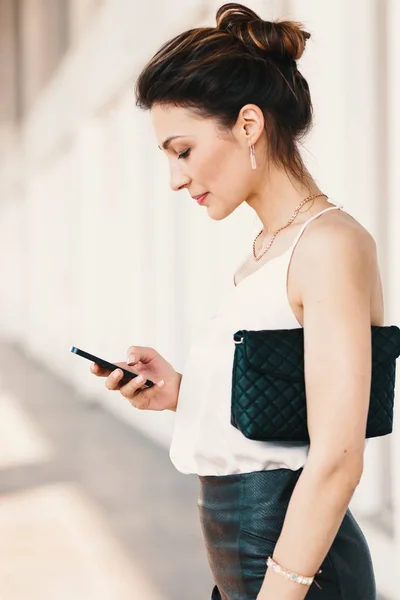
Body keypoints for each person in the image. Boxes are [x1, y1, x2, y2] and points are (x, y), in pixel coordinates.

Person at [91, 3, 382, 599]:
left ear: (248, 126)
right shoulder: (267, 254)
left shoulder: (328, 246)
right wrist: (182, 393)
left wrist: (279, 591)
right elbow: (288, 414)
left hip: (298, 573)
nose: (175, 178)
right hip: (252, 563)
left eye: (183, 150)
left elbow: (336, 458)